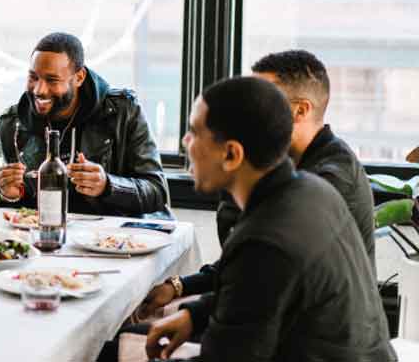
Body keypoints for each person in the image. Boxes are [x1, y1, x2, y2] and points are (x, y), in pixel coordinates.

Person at [143, 77, 393, 361]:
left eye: (195, 132)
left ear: (231, 154)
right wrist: (195, 315)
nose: (185, 142)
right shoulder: (312, 190)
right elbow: (257, 294)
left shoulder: (266, 239)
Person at [0, 32, 169, 216]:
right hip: (49, 238)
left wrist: (107, 185)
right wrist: (11, 194)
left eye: (52, 80)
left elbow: (157, 192)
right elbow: (18, 211)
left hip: (114, 238)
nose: (39, 90)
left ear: (79, 77)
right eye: (33, 77)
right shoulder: (12, 123)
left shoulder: (123, 112)